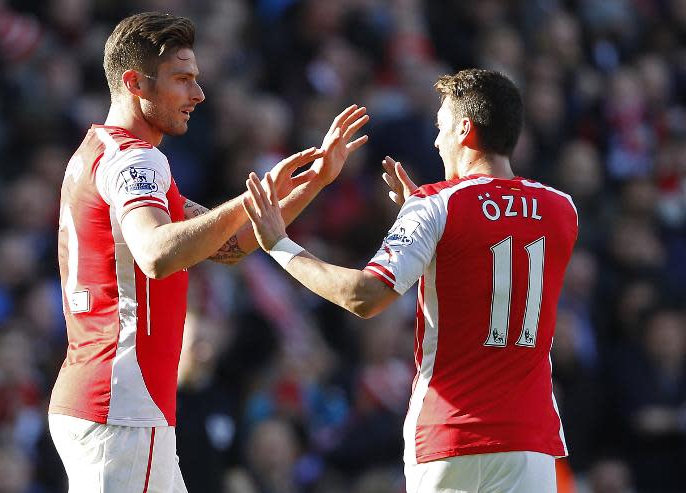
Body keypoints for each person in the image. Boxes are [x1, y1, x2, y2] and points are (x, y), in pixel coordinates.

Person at [46, 12, 368, 493]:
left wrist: (313, 183)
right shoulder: (137, 159)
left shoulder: (102, 151)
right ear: (135, 83)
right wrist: (245, 201)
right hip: (122, 406)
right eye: (182, 79)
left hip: (113, 402)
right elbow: (156, 253)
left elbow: (230, 246)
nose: (198, 95)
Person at [242, 68, 578, 493]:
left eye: (440, 129)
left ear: (464, 129)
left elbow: (365, 297)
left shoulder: (436, 205)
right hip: (531, 442)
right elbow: (492, 244)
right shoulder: (561, 209)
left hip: (449, 437)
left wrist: (279, 245)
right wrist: (431, 226)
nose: (436, 142)